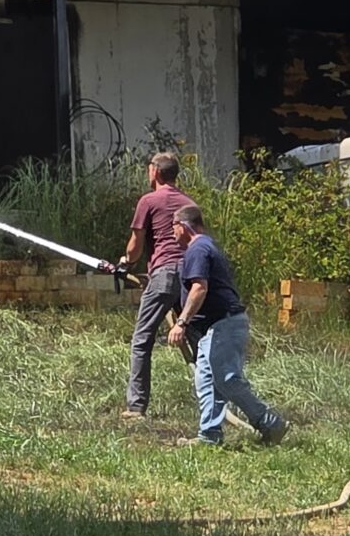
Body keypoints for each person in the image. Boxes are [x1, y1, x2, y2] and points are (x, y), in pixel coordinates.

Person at [168, 204, 288, 445]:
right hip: (215, 327)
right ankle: (209, 436)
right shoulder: (206, 246)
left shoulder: (198, 249)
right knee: (206, 380)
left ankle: (271, 423)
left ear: (183, 226)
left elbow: (199, 288)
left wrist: (181, 322)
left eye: (173, 227)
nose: (172, 233)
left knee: (226, 379)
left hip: (224, 324)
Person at [121, 152, 196, 417]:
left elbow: (135, 246)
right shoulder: (189, 203)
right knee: (197, 340)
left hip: (165, 274)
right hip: (191, 275)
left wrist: (126, 262)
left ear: (155, 171)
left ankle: (136, 406)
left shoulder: (149, 200)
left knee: (142, 339)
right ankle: (212, 402)